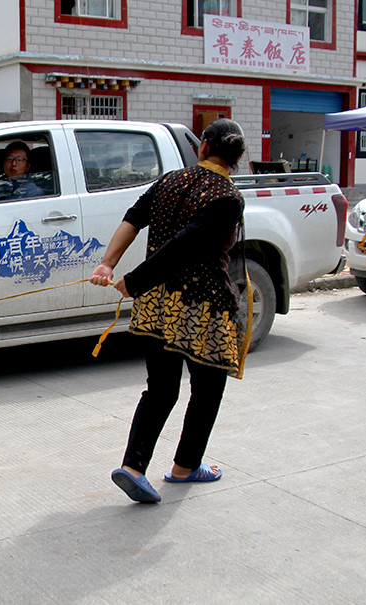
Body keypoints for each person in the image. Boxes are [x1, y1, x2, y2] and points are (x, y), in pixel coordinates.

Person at [89, 118, 247, 503]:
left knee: (160, 389)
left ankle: (133, 468)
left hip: (157, 303)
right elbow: (186, 245)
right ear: (237, 158)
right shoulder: (227, 196)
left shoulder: (170, 180)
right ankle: (185, 466)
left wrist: (109, 264)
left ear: (203, 147)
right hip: (201, 309)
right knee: (208, 389)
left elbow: (133, 218)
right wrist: (132, 277)